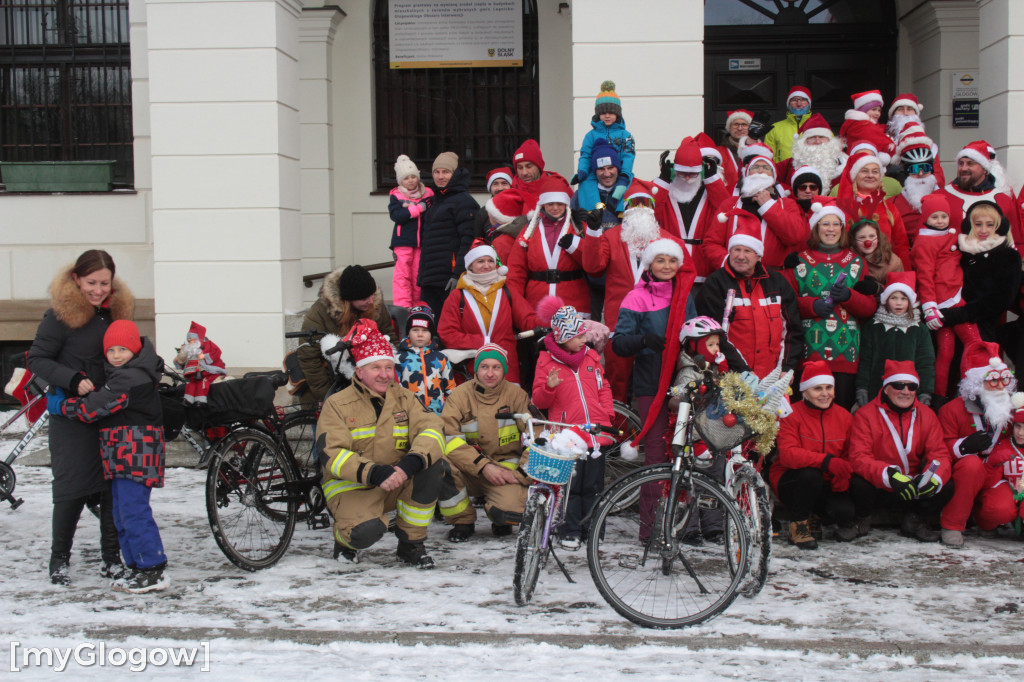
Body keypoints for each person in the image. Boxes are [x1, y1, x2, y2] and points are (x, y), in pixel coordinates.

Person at [28, 249, 132, 586]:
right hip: (72, 416)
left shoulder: (117, 313)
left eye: (104, 283)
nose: (98, 289)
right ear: (76, 279)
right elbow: (38, 360)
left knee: (109, 489)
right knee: (71, 489)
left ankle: (111, 558)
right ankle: (59, 559)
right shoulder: (59, 316)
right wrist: (71, 379)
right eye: (91, 282)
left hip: (110, 413)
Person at [317, 318, 445, 569]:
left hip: (396, 479)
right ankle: (345, 541)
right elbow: (331, 453)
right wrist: (374, 472)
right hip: (352, 486)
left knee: (433, 465)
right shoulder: (337, 404)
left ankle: (411, 544)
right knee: (365, 533)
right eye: (376, 368)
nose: (384, 375)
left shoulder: (405, 398)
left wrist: (411, 463)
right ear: (360, 371)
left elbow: (432, 429)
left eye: (389, 367)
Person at [57, 321, 168, 593]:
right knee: (121, 513)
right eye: (111, 350)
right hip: (123, 456)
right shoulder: (122, 375)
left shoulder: (129, 378)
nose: (116, 355)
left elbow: (92, 409)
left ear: (135, 350)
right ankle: (136, 566)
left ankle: (152, 568)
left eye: (123, 349)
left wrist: (60, 406)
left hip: (137, 456)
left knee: (133, 512)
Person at [613, 238, 697, 527]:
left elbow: (697, 334)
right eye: (660, 260)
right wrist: (644, 340)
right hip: (652, 383)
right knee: (658, 455)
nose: (667, 266)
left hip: (684, 382)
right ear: (649, 264)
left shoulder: (685, 294)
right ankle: (651, 526)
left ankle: (685, 523)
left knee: (686, 451)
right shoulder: (635, 297)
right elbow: (620, 344)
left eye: (672, 260)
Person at [582, 179, 684, 401]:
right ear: (624, 209)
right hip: (620, 319)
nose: (639, 208)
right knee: (618, 377)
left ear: (653, 208)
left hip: (657, 319)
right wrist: (592, 232)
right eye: (634, 203)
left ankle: (656, 429)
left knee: (657, 378)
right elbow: (593, 267)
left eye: (644, 203)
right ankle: (619, 428)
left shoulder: (668, 240)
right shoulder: (610, 236)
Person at [532, 301, 614, 550]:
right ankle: (570, 529)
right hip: (567, 435)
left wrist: (606, 414)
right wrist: (549, 387)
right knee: (571, 486)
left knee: (593, 484)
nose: (583, 339)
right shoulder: (546, 361)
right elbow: (538, 400)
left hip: (594, 432)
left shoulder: (591, 356)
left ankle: (592, 528)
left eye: (583, 334)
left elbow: (604, 387)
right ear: (562, 338)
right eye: (577, 336)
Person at [846, 360, 953, 542]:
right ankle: (862, 519)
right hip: (882, 484)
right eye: (898, 385)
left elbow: (939, 454)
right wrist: (890, 476)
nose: (906, 391)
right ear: (886, 388)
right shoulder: (866, 414)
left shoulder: (927, 414)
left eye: (911, 387)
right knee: (858, 482)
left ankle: (915, 520)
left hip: (912, 486)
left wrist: (932, 477)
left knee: (946, 484)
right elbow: (859, 457)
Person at [785, 197, 876, 408]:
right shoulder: (799, 260)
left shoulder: (856, 261)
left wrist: (849, 297)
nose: (831, 229)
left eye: (836, 223)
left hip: (845, 356)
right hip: (808, 353)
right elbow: (786, 304)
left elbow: (869, 307)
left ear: (843, 229)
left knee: (841, 414)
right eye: (825, 223)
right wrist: (811, 306)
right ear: (816, 227)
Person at [440, 344, 532, 542]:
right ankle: (462, 520)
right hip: (469, 469)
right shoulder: (459, 396)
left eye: (496, 367)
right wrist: (483, 466)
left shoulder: (517, 395)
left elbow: (536, 436)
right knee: (440, 467)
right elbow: (449, 438)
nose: (490, 373)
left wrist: (521, 474)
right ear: (476, 369)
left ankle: (500, 518)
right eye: (484, 367)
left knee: (509, 514)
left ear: (504, 370)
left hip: (506, 471)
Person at [668, 316, 748, 544]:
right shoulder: (689, 372)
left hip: (716, 435)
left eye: (717, 345)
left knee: (715, 482)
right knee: (691, 483)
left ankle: (713, 525)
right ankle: (689, 527)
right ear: (694, 346)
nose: (715, 349)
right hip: (693, 438)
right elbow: (675, 398)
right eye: (710, 345)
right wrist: (691, 397)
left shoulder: (716, 369)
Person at [937, 341, 1021, 547]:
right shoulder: (952, 410)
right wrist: (964, 446)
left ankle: (985, 521)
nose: (1001, 386)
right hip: (965, 469)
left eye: (1004, 378)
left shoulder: (1010, 408)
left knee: (1002, 510)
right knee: (971, 466)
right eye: (993, 380)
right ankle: (952, 524)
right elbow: (938, 447)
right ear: (975, 384)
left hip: (997, 471)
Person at [697, 220, 803, 380]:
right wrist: (742, 370)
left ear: (758, 255)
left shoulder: (777, 282)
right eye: (736, 250)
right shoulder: (716, 283)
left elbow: (792, 329)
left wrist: (786, 367)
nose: (740, 256)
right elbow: (714, 336)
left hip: (773, 378)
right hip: (732, 377)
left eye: (747, 251)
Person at [773, 362, 857, 549]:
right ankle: (798, 526)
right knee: (810, 474)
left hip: (826, 481)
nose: (825, 393)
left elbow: (850, 453)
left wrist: (843, 472)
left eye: (829, 387)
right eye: (817, 388)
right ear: (805, 392)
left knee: (844, 512)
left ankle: (815, 515)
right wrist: (827, 461)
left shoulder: (844, 417)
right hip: (793, 479)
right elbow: (788, 455)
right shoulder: (791, 414)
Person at [437, 242, 542, 385]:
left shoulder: (507, 290)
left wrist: (552, 321)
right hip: (472, 371)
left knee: (509, 406)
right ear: (470, 266)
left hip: (506, 367)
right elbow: (447, 333)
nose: (486, 266)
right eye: (480, 261)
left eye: (490, 261)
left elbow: (528, 319)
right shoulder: (457, 296)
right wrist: (482, 342)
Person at [911, 192, 980, 400]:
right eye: (935, 217)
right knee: (974, 343)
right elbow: (925, 277)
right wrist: (929, 308)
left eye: (944, 216)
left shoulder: (952, 235)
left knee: (946, 352)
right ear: (926, 218)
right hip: (948, 300)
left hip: (951, 296)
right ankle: (974, 389)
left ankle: (940, 395)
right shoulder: (924, 243)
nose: (940, 221)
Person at [298, 264, 398, 404]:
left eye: (372, 295)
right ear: (348, 298)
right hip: (328, 383)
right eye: (364, 298)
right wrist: (327, 396)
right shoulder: (320, 313)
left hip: (370, 385)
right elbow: (309, 357)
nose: (370, 301)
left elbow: (389, 338)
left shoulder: (374, 305)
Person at [938, 201, 1022, 356]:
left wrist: (957, 315)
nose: (984, 230)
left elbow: (1001, 299)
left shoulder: (1009, 256)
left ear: (999, 226)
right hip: (945, 324)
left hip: (981, 329)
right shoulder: (957, 251)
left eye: (990, 225)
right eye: (978, 224)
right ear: (969, 225)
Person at [506, 174, 595, 314]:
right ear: (542, 205)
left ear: (567, 205)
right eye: (550, 204)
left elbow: (594, 262)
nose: (555, 208)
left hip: (574, 302)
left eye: (560, 204)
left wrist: (575, 244)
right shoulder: (530, 230)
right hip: (537, 301)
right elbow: (516, 269)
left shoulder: (578, 228)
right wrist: (517, 303)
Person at [704, 152, 808, 271]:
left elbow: (795, 237)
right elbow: (711, 243)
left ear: (774, 178)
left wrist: (768, 206)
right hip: (733, 275)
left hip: (772, 277)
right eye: (755, 167)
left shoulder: (787, 204)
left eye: (766, 168)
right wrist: (730, 262)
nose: (760, 170)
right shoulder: (730, 204)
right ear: (747, 174)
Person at [653, 136, 730, 282]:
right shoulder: (665, 190)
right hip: (670, 270)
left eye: (693, 174)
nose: (687, 178)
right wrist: (662, 181)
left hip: (704, 269)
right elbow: (650, 213)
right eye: (682, 173)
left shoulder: (709, 191)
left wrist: (713, 180)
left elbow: (725, 210)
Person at [855, 272, 935, 410]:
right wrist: (862, 387)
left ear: (910, 302)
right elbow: (865, 360)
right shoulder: (873, 327)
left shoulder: (919, 329)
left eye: (904, 298)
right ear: (886, 300)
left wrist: (925, 391)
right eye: (894, 298)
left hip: (908, 392)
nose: (899, 303)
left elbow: (925, 362)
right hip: (877, 390)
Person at [417, 151, 480, 316]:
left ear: (455, 173)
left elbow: (468, 241)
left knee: (447, 329)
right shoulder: (435, 201)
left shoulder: (464, 202)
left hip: (449, 280)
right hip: (430, 280)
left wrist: (458, 273)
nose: (440, 176)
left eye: (446, 172)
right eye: (436, 172)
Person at [940, 140, 1024, 255]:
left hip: (994, 268)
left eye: (970, 163)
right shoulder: (941, 196)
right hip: (954, 267)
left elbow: (1016, 238)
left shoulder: (1002, 199)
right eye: (961, 163)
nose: (964, 168)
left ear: (985, 169)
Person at [835, 150, 911, 267]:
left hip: (884, 271)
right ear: (854, 176)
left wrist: (903, 279)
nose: (870, 175)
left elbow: (901, 245)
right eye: (864, 171)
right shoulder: (842, 208)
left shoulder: (889, 208)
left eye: (875, 172)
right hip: (852, 271)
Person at [388, 154, 433, 309]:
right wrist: (418, 209)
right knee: (402, 276)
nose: (411, 180)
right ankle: (402, 307)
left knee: (417, 276)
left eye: (413, 176)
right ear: (401, 181)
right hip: (403, 241)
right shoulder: (396, 195)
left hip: (422, 242)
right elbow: (397, 216)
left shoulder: (428, 193)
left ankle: (417, 307)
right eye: (406, 178)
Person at [574, 80, 635, 193]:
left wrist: (624, 176)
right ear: (598, 114)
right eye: (603, 113)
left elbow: (628, 157)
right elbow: (586, 156)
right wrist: (582, 172)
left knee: (627, 191)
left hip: (620, 174)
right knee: (585, 188)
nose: (607, 116)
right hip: (596, 173)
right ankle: (590, 210)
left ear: (617, 114)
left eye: (611, 112)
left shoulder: (625, 135)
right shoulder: (590, 136)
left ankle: (619, 209)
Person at [395, 305, 452, 415]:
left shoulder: (441, 358)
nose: (420, 334)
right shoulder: (399, 359)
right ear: (408, 333)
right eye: (415, 330)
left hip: (438, 415)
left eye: (425, 330)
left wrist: (451, 411)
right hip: (411, 415)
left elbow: (450, 388)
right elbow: (395, 389)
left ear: (431, 334)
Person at [891, 126, 941, 246]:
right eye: (914, 169)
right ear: (906, 172)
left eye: (925, 168)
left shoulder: (946, 198)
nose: (920, 174)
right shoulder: (893, 204)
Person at [984, 395, 1024, 533]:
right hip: (1008, 491)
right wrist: (993, 463)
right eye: (1018, 426)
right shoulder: (1004, 445)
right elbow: (988, 482)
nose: (1021, 433)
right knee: (999, 508)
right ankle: (985, 524)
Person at [775, 113, 845, 190]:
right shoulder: (788, 165)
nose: (818, 141)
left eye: (822, 137)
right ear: (804, 141)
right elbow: (766, 173)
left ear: (830, 141)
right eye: (812, 137)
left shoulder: (844, 165)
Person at [173, 321, 226, 404]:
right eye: (189, 340)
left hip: (207, 372)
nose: (190, 342)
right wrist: (178, 361)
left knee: (203, 383)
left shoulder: (208, 344)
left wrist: (205, 356)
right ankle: (188, 399)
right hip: (194, 373)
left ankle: (200, 400)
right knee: (191, 383)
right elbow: (186, 364)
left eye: (192, 339)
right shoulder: (190, 350)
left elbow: (217, 352)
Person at [838, 90, 895, 165]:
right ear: (863, 110)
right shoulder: (860, 125)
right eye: (873, 109)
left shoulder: (862, 124)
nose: (877, 113)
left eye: (879, 110)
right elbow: (882, 143)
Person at [849, 218, 903, 291]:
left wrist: (876, 288)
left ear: (878, 238)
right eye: (862, 237)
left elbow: (899, 291)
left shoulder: (893, 262)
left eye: (872, 236)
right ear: (854, 240)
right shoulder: (847, 260)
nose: (868, 241)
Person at [765, 85, 813, 163]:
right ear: (788, 104)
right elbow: (767, 157)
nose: (799, 104)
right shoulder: (775, 128)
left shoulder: (820, 127)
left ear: (809, 104)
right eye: (794, 100)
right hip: (784, 173)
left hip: (813, 173)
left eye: (803, 100)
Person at [716, 109, 753, 191]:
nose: (740, 128)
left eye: (744, 125)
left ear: (750, 128)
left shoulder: (758, 151)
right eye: (736, 124)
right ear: (729, 127)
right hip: (727, 198)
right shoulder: (718, 152)